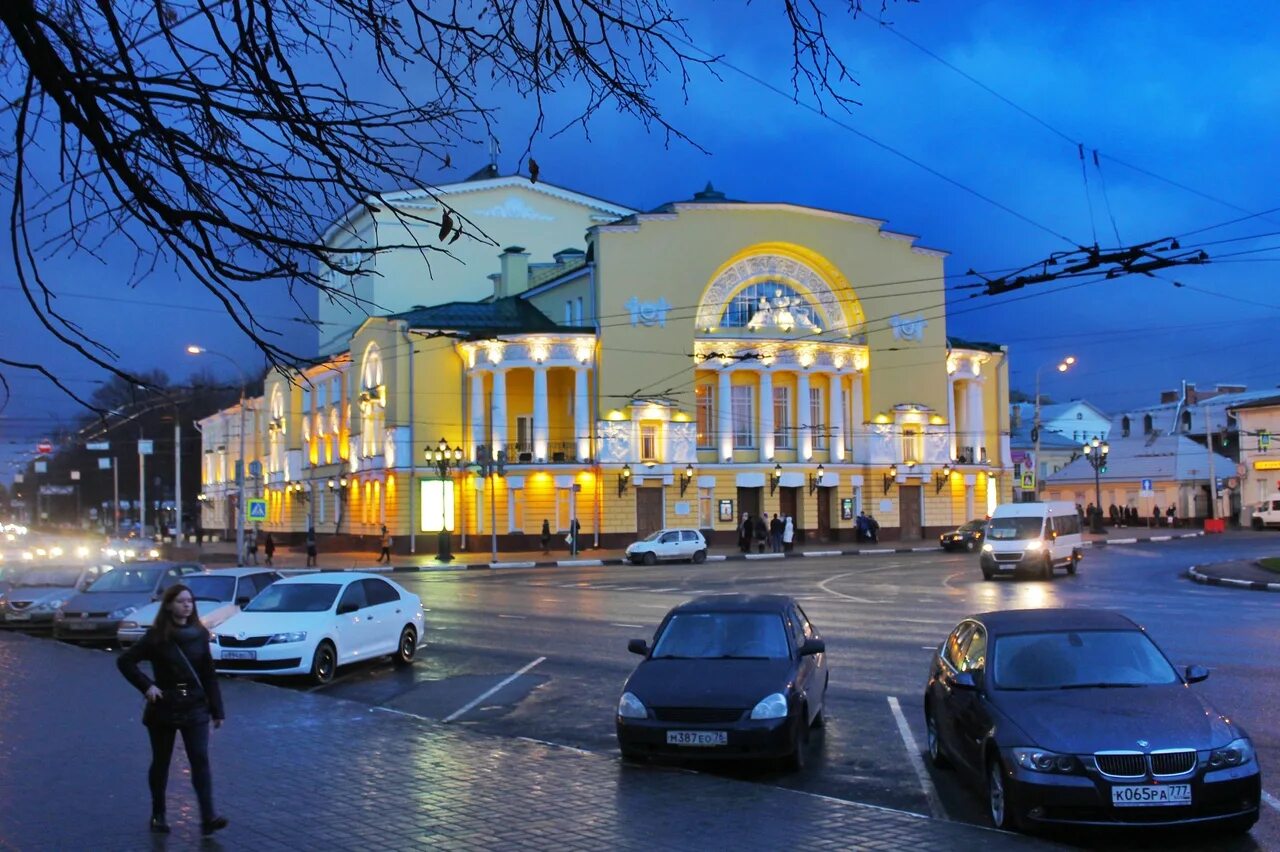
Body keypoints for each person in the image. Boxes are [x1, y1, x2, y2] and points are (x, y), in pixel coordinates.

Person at [117, 584, 228, 837]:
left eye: (189, 601)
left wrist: (217, 710)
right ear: (169, 605)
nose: (186, 605)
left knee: (199, 758)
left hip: (195, 705)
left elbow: (208, 673)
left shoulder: (200, 633)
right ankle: (159, 814)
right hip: (165, 707)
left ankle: (208, 817)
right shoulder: (157, 636)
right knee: (162, 762)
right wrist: (147, 686)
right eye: (180, 601)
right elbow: (125, 661)